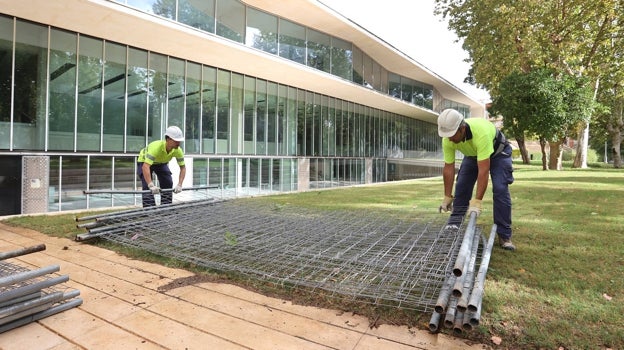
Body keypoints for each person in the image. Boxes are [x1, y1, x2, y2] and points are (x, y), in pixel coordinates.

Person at [437, 109, 516, 250]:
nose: (449, 139)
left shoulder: (481, 134)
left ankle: (504, 235)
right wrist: (447, 196)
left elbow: (483, 170)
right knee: (462, 185)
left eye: (452, 135)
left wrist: (477, 201)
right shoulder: (448, 138)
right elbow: (448, 168)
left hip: (499, 153)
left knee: (500, 188)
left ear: (462, 128)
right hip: (473, 155)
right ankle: (454, 224)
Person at [137, 126, 186, 207]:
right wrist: (151, 185)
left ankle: (165, 208)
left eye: (179, 141)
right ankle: (150, 211)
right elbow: (146, 167)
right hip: (144, 162)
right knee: (147, 186)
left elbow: (183, 168)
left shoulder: (178, 150)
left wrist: (180, 184)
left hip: (161, 163)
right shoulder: (156, 148)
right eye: (176, 141)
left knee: (167, 182)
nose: (178, 143)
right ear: (168, 139)